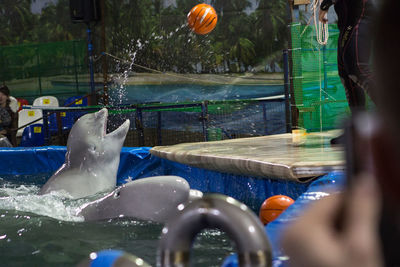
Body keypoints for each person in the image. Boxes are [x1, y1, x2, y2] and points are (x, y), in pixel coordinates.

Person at [281, 0, 400, 266]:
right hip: (347, 19)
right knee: (346, 72)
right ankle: (361, 124)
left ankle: (391, 121)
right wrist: (325, 7)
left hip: (361, 15)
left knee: (357, 67)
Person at [319, 0, 377, 144]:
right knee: (346, 75)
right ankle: (359, 132)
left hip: (359, 16)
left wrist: (324, 7)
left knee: (358, 69)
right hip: (347, 22)